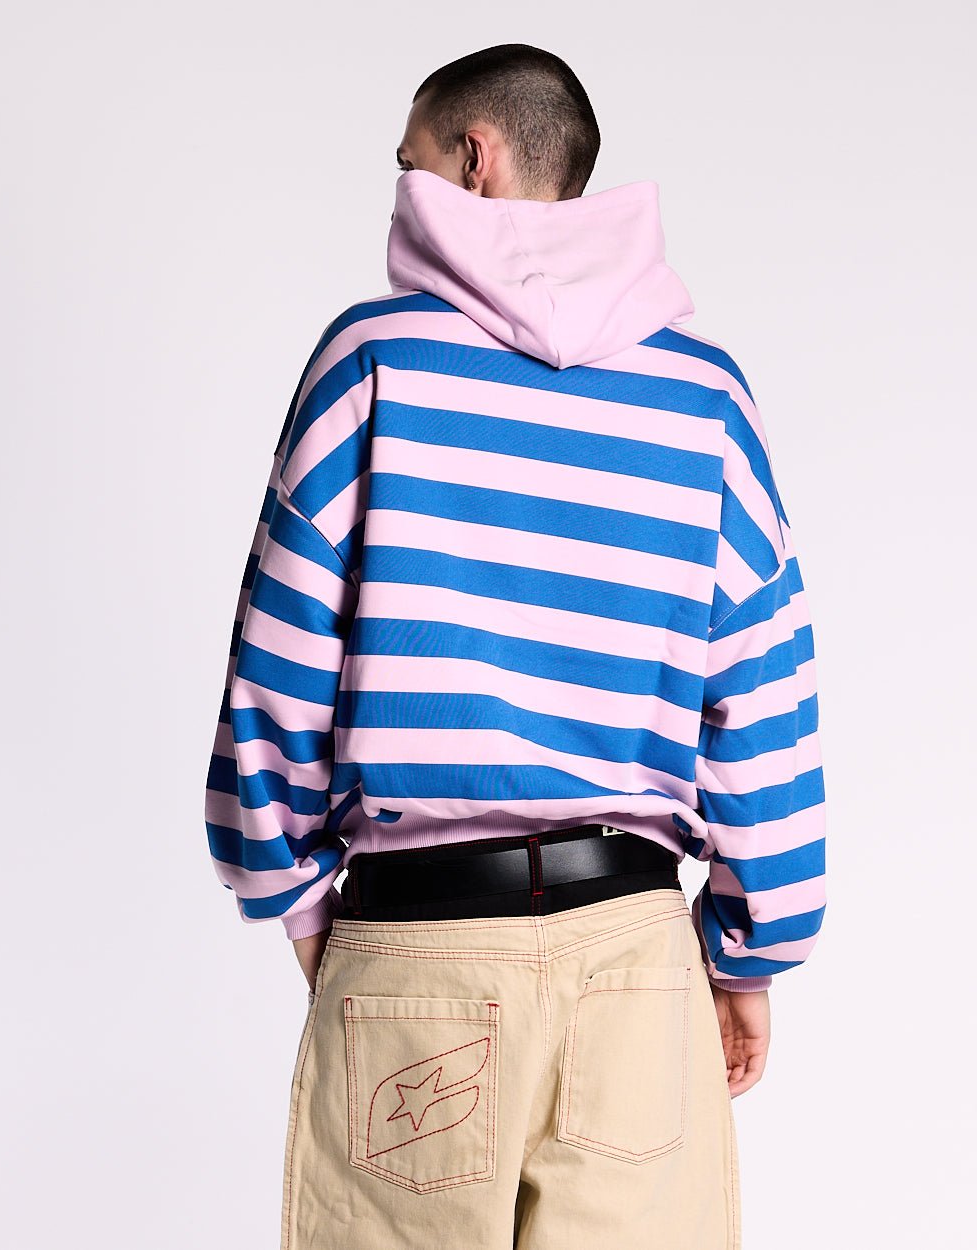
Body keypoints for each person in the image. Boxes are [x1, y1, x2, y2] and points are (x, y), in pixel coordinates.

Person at [203, 42, 826, 1250]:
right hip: (635, 961)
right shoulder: (705, 397)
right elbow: (760, 689)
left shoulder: (372, 360)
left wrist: (295, 900)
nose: (400, 191)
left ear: (473, 159)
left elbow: (276, 658)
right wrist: (753, 951)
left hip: (416, 942)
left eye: (409, 163)